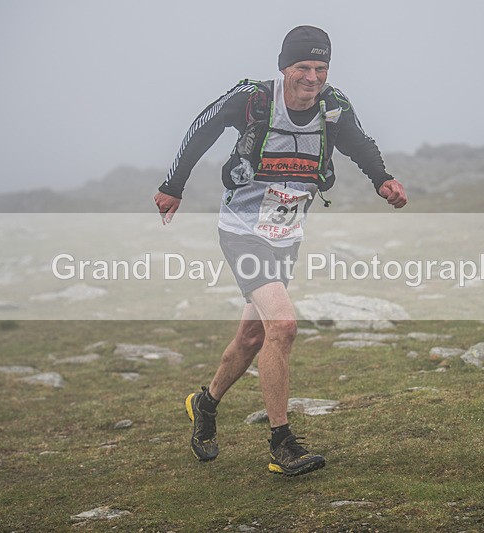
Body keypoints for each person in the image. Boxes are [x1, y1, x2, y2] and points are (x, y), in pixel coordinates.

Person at [154, 25, 407, 476]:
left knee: (253, 337)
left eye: (321, 68)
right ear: (284, 67)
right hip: (242, 230)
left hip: (285, 233)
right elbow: (202, 128)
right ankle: (282, 443)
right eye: (303, 67)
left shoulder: (333, 105)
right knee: (283, 325)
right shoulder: (254, 99)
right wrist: (174, 185)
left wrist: (382, 180)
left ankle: (205, 403)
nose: (312, 77)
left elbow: (359, 143)